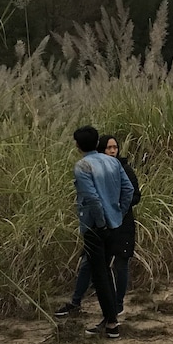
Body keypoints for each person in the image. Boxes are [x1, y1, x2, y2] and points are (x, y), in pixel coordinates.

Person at [57, 135, 141, 319]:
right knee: (88, 262)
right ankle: (76, 302)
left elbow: (133, 194)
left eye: (115, 147)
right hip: (100, 223)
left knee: (120, 263)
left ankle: (117, 306)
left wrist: (117, 210)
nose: (112, 151)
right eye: (109, 147)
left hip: (120, 223)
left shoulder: (122, 168)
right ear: (100, 149)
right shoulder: (96, 168)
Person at [68, 125, 134, 339]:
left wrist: (101, 223)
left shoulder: (82, 166)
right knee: (104, 271)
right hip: (114, 224)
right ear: (97, 143)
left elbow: (92, 199)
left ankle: (112, 323)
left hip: (96, 227)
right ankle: (110, 318)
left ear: (78, 146)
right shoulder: (113, 162)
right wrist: (118, 213)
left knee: (100, 274)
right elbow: (128, 190)